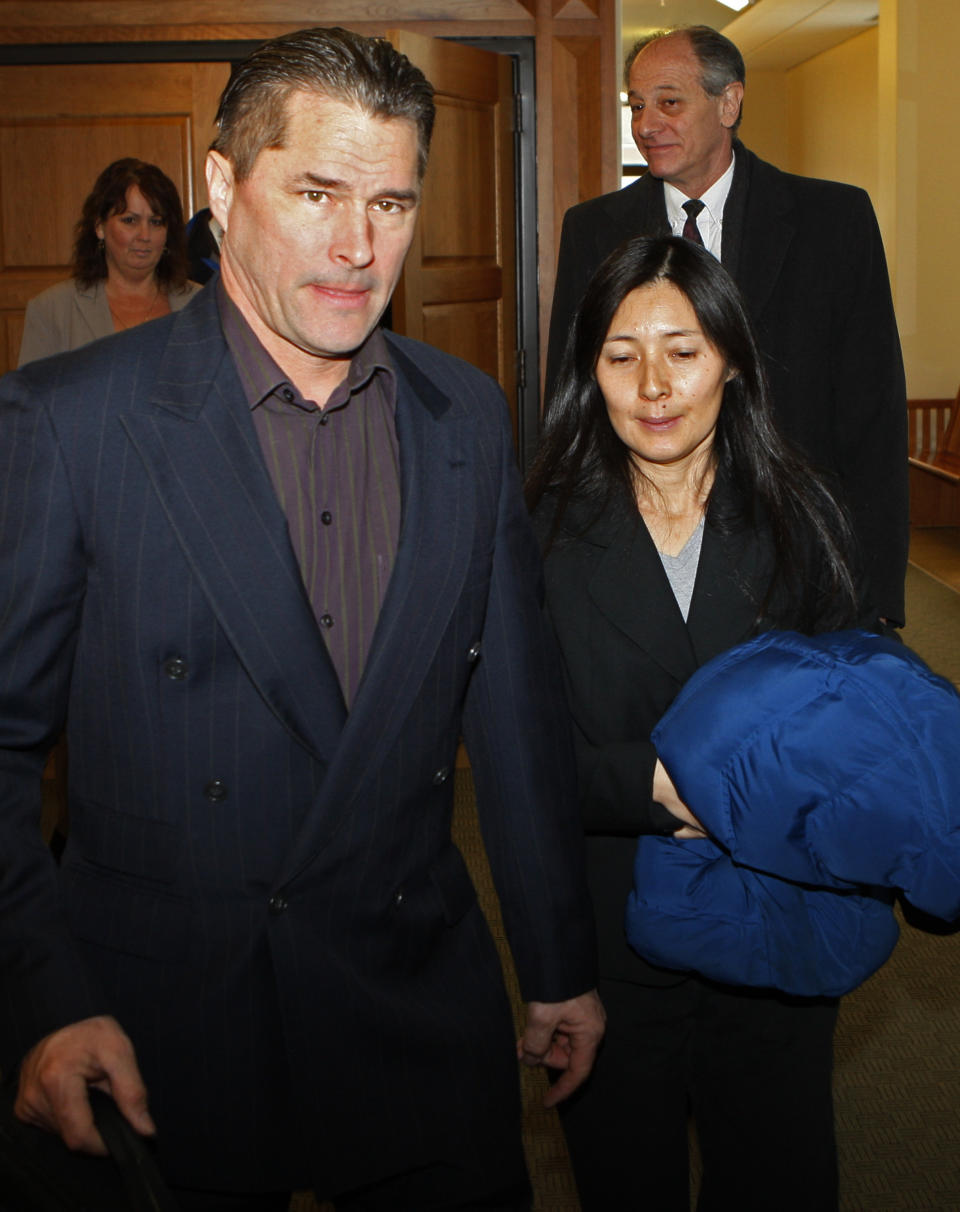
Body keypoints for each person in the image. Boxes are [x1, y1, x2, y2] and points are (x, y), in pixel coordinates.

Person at [0, 26, 604, 1212]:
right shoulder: (68, 421)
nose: (357, 247)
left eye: (390, 200)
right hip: (159, 1021)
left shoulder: (467, 418)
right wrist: (44, 997)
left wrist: (559, 964)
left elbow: (517, 716)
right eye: (317, 192)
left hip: (412, 990)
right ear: (223, 188)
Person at [527, 235, 879, 1211]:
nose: (653, 383)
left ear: (731, 358)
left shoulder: (804, 518)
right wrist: (649, 784)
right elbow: (522, 760)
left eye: (682, 350)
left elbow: (850, 731)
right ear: (588, 372)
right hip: (611, 939)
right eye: (620, 352)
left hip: (776, 929)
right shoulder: (542, 532)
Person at [545, 24, 908, 630]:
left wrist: (875, 594)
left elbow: (872, 412)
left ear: (729, 103)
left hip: (796, 554)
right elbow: (570, 397)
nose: (645, 123)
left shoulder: (834, 221)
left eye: (669, 101)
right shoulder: (593, 230)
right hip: (642, 550)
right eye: (636, 105)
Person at [17, 157, 200, 367]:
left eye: (156, 222)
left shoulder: (202, 304)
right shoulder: (51, 311)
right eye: (130, 220)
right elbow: (30, 398)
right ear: (100, 227)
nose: (145, 235)